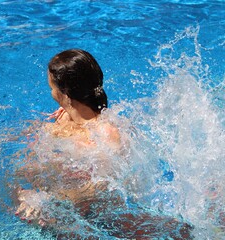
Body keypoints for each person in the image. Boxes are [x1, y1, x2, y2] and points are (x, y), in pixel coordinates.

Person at [13, 49, 192, 239]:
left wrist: (43, 202)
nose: (51, 93)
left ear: (65, 92)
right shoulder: (65, 115)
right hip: (75, 203)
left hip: (107, 215)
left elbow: (102, 188)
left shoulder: (106, 134)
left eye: (52, 88)